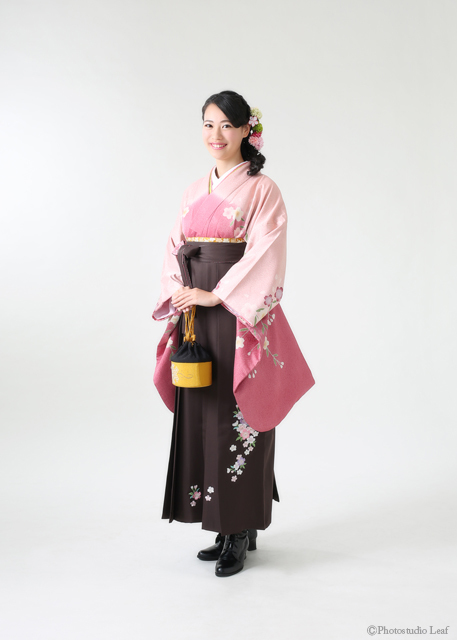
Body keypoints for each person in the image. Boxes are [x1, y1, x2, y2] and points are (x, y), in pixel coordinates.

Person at [152, 90, 315, 578]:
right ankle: (221, 525)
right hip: (197, 312)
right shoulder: (193, 191)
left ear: (247, 130)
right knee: (204, 410)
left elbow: (266, 252)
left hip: (238, 315)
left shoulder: (263, 190)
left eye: (226, 125)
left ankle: (241, 528)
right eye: (208, 124)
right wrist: (181, 293)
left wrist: (215, 295)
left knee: (238, 413)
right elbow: (175, 248)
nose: (215, 135)